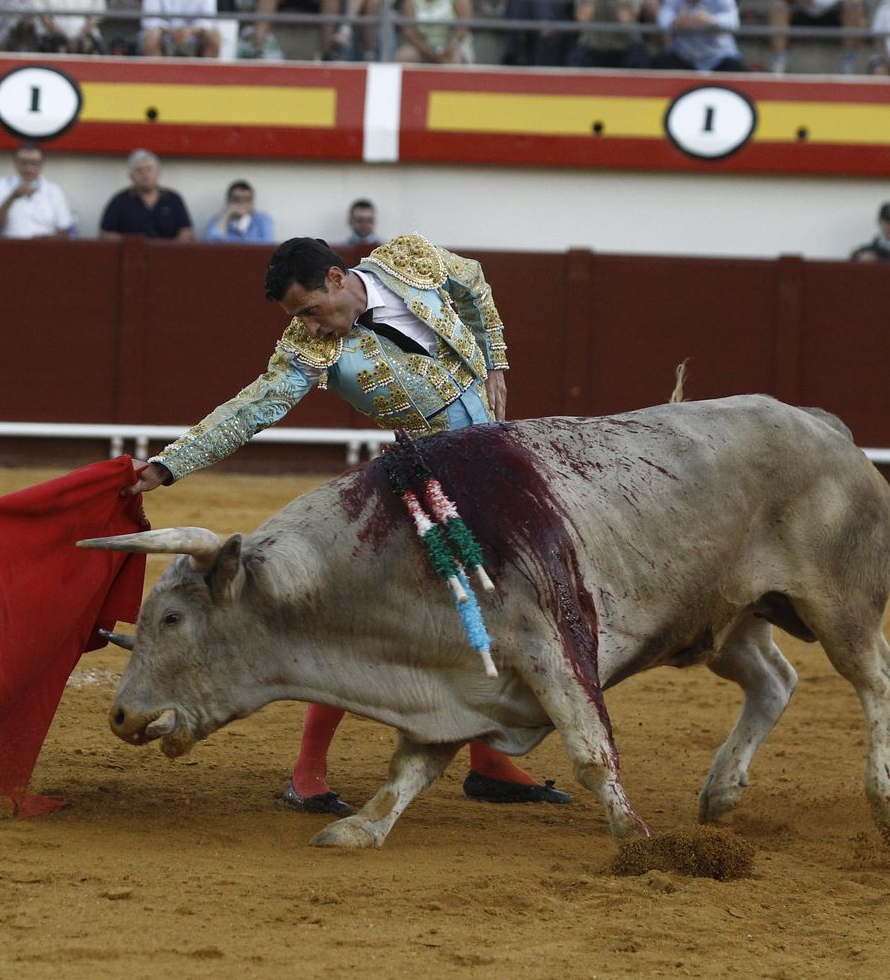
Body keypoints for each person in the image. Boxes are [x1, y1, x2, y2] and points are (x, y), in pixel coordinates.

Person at [123, 234, 572, 813]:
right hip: (426, 477)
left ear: (337, 280)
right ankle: (308, 772)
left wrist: (496, 362)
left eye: (310, 310)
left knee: (484, 606)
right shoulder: (309, 350)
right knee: (358, 615)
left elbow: (474, 282)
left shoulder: (409, 259)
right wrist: (166, 465)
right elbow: (252, 408)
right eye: (297, 318)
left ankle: (487, 761)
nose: (308, 326)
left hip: (491, 465)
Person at [0, 145, 76, 239]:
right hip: (9, 249)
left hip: (44, 250)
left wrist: (43, 240)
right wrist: (13, 196)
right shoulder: (2, 185)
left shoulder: (53, 190)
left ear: (42, 164)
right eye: (23, 163)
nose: (29, 169)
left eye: (34, 163)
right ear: (16, 163)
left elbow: (65, 232)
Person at [99, 150, 196, 240]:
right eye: (139, 170)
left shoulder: (173, 199)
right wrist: (131, 244)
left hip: (168, 256)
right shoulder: (120, 201)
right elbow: (105, 234)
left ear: (158, 173)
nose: (145, 175)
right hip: (132, 257)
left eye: (149, 169)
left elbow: (187, 232)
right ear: (131, 177)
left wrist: (171, 249)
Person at [203, 180, 276, 243]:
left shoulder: (262, 219)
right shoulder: (218, 220)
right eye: (236, 200)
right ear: (228, 202)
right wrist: (226, 215)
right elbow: (212, 243)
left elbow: (267, 244)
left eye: (246, 200)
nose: (241, 204)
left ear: (252, 203)